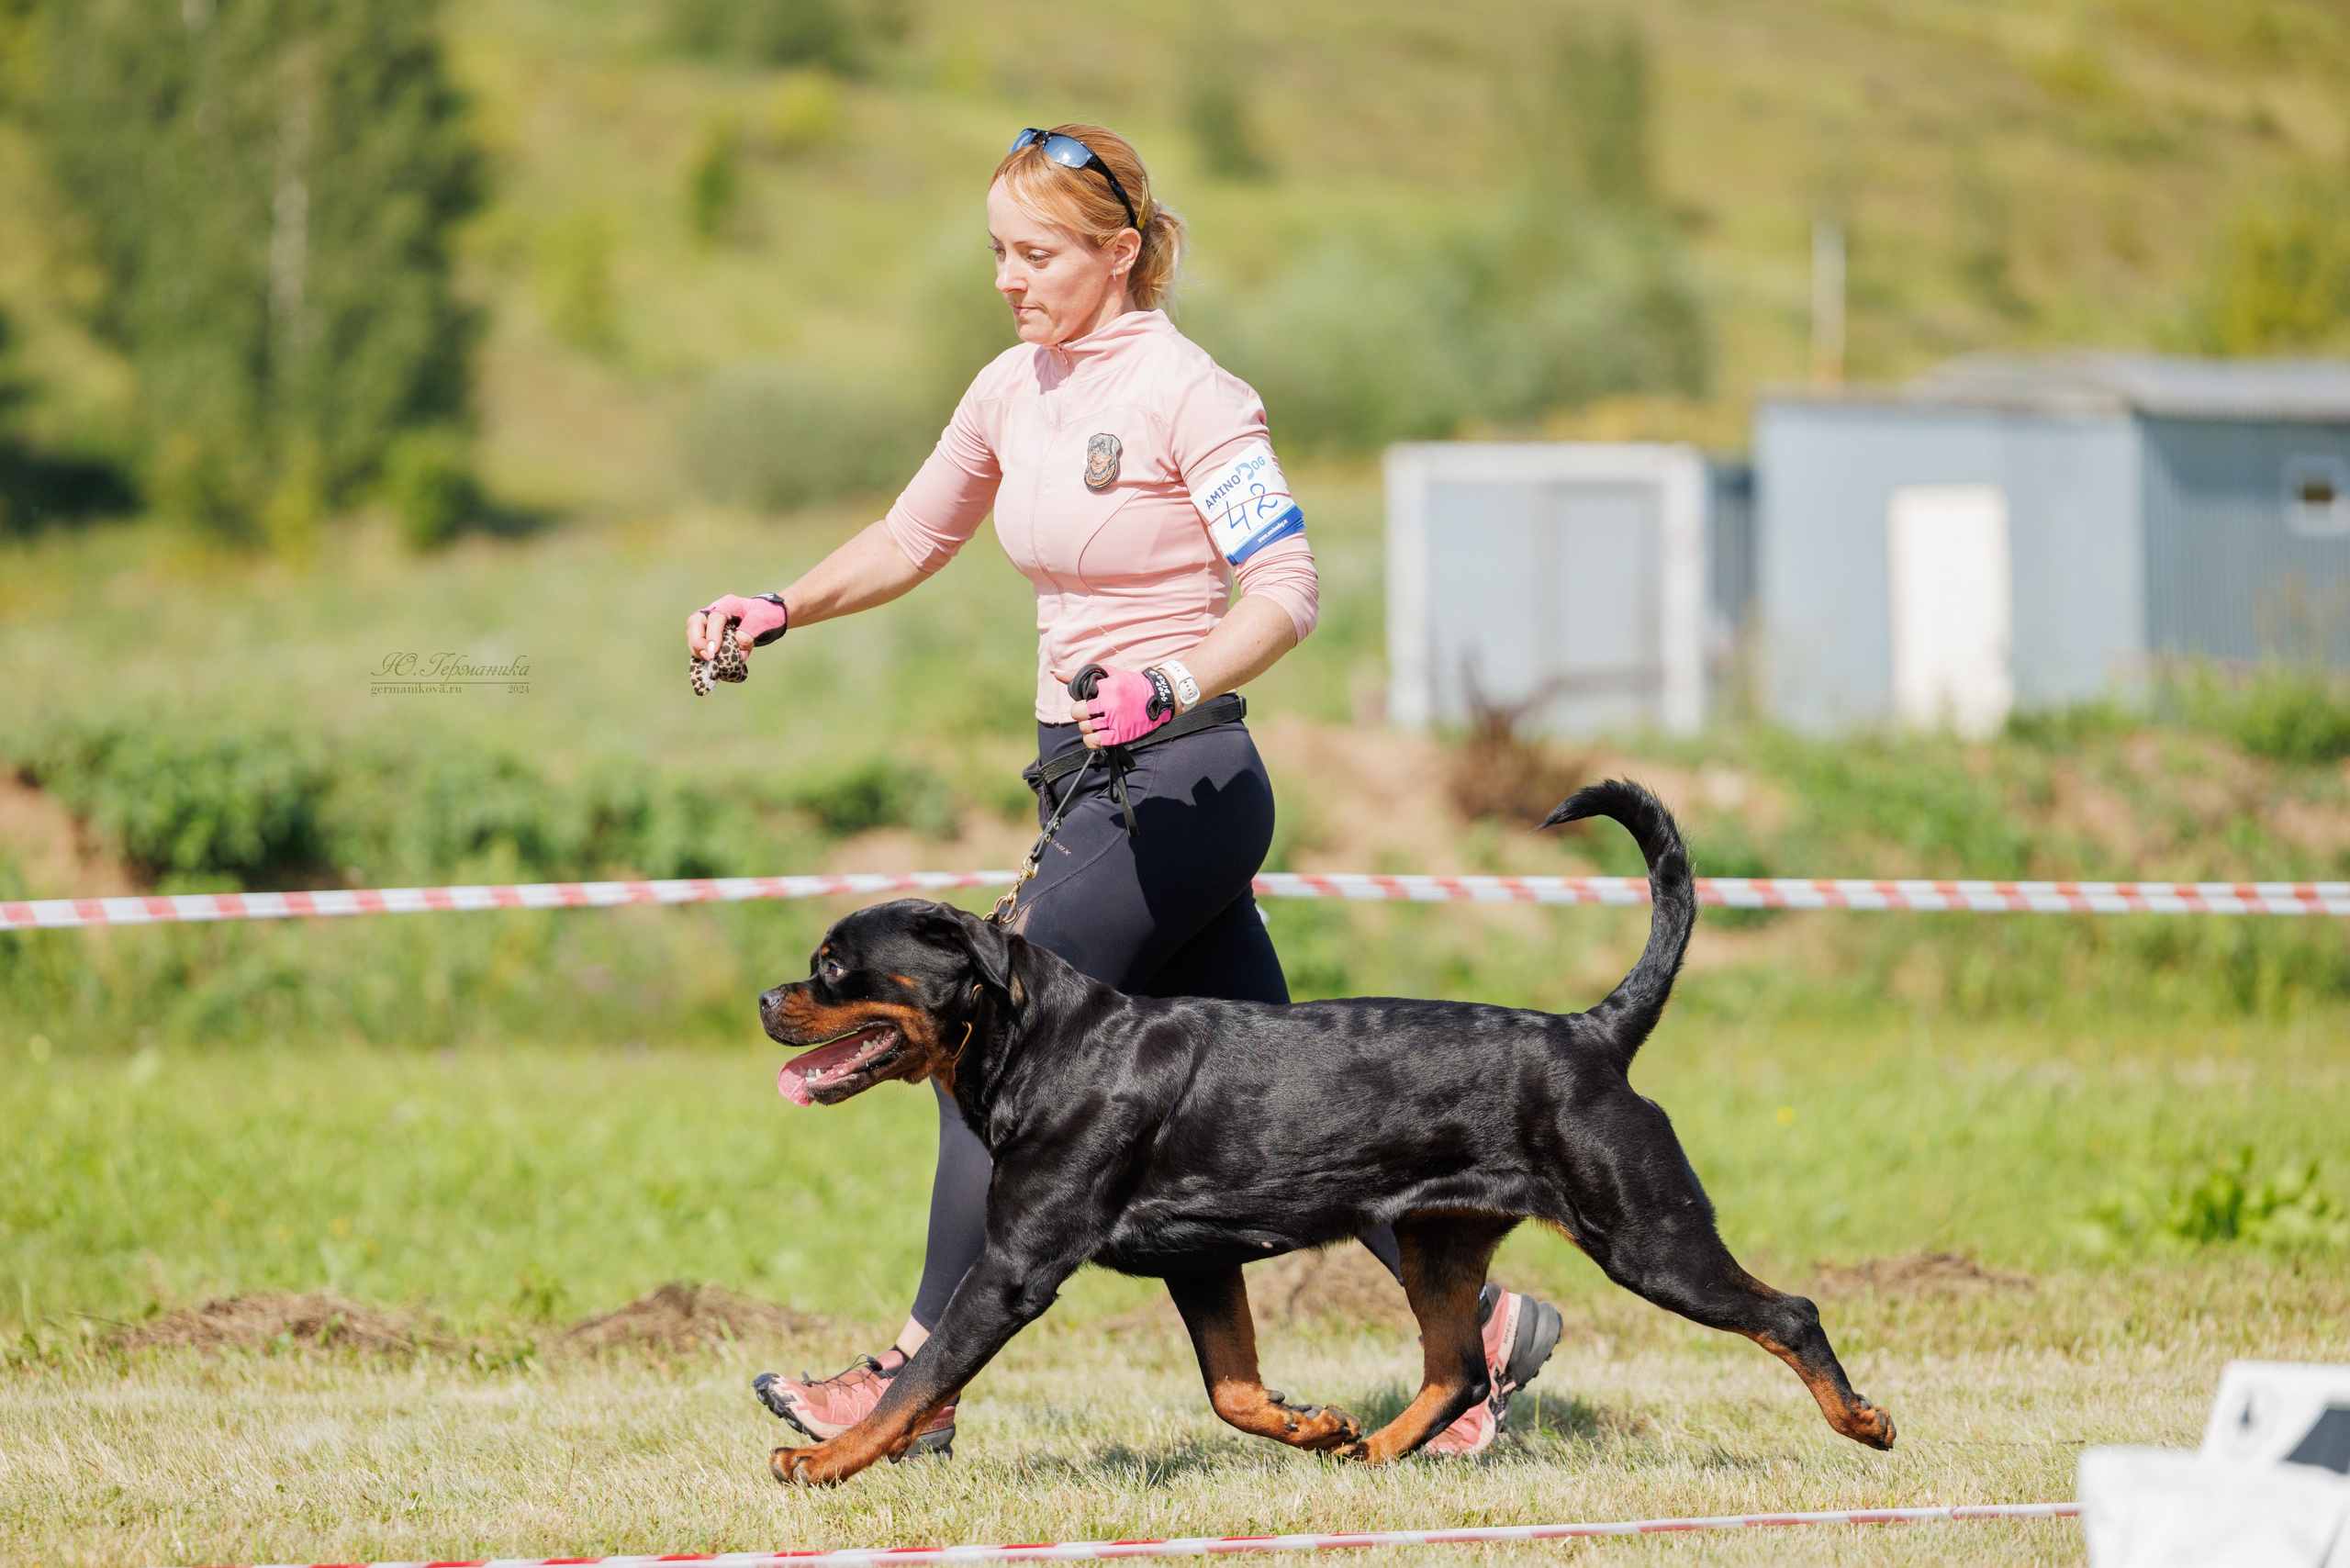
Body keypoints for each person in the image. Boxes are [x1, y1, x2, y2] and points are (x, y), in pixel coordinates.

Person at [688, 124, 1561, 1459]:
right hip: (1083, 784)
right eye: (996, 251)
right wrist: (780, 603)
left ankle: (912, 1388)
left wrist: (1173, 677)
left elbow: (1288, 590)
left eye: (1035, 252)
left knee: (992, 1033)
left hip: (1181, 780)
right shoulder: (1009, 389)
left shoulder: (1192, 394)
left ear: (1120, 250)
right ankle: (1481, 1330)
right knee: (1300, 1100)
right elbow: (915, 534)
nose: (1007, 278)